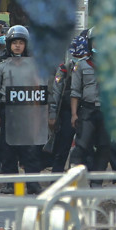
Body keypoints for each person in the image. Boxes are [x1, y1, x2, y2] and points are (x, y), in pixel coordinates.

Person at [0, 25, 46, 192]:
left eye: (21, 42)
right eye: (14, 42)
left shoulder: (35, 65)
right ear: (9, 44)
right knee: (8, 149)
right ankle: (10, 184)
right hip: (8, 113)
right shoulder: (2, 66)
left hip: (29, 112)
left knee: (30, 149)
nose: (17, 46)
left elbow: (41, 90)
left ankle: (32, 184)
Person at [67, 31, 116, 177]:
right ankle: (73, 178)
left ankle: (96, 181)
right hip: (87, 110)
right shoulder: (81, 65)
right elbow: (75, 92)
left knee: (104, 147)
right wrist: (74, 114)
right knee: (81, 145)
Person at [46, 34, 84, 173]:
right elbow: (56, 92)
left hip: (85, 111)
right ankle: (55, 178)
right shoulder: (65, 68)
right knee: (62, 148)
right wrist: (53, 114)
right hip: (66, 112)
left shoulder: (90, 67)